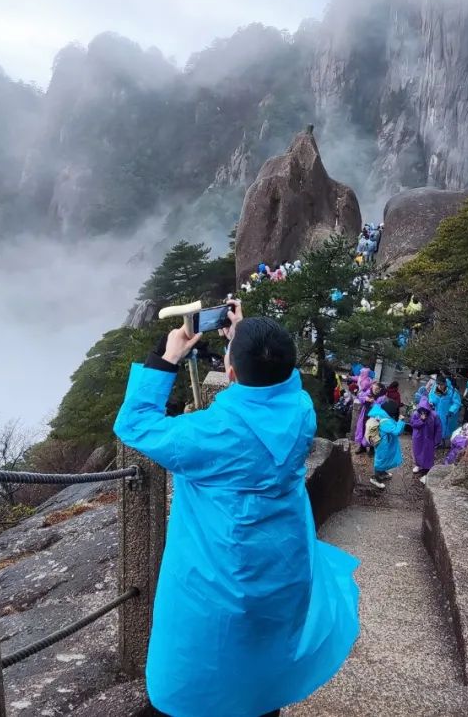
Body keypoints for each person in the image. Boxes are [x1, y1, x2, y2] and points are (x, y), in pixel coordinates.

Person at [114, 301, 360, 717]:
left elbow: (135, 424)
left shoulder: (210, 434)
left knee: (186, 687)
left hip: (216, 579)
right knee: (261, 671)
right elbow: (272, 386)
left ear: (230, 374)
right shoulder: (300, 412)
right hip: (281, 568)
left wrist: (167, 357)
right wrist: (245, 337)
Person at [365, 399, 406, 489]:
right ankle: (375, 478)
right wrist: (401, 421)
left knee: (383, 459)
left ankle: (382, 473)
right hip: (382, 444)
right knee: (380, 460)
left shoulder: (381, 414)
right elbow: (396, 431)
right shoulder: (385, 421)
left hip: (383, 442)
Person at [410, 396, 442, 479]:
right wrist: (421, 420)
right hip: (418, 438)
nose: (423, 411)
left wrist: (437, 440)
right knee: (417, 452)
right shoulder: (415, 414)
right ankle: (418, 465)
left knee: (428, 454)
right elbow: (413, 424)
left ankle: (427, 468)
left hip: (429, 438)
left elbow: (438, 428)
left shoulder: (434, 415)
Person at [429, 377, 462, 445]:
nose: (439, 386)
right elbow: (431, 397)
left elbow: (457, 402)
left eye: (441, 384)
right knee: (437, 427)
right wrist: (431, 403)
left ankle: (446, 441)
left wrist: (451, 410)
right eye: (438, 384)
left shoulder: (453, 391)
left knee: (447, 429)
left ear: (445, 384)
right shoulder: (434, 388)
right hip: (437, 412)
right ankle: (438, 441)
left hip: (448, 414)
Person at [353, 368, 375, 454]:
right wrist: (365, 398)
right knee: (363, 428)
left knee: (372, 429)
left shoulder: (369, 384)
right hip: (366, 411)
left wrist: (373, 400)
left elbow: (380, 400)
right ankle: (362, 447)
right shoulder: (368, 387)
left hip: (373, 413)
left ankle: (372, 448)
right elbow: (361, 395)